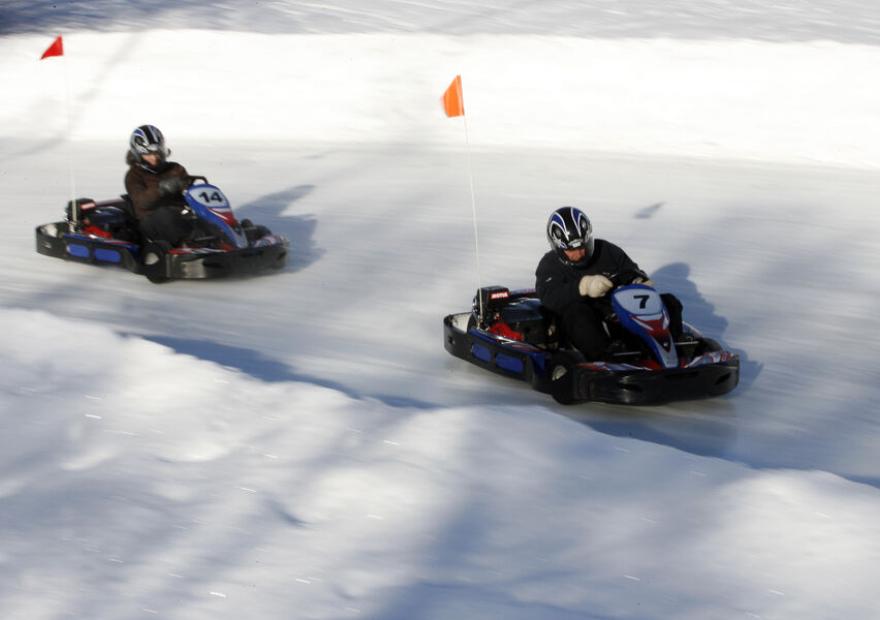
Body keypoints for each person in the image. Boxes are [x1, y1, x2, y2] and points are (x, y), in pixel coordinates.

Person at [535, 206, 683, 360]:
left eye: (582, 247)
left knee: (668, 301)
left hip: (617, 312)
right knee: (578, 313)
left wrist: (638, 281)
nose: (579, 254)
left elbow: (631, 271)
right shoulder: (549, 265)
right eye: (572, 250)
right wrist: (583, 286)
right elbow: (549, 297)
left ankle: (675, 348)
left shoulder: (607, 251)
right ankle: (603, 358)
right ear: (558, 247)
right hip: (582, 325)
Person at [124, 125, 193, 246]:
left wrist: (187, 187)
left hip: (181, 213)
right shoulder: (133, 176)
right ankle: (188, 247)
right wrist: (162, 189)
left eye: (157, 152)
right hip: (150, 220)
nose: (154, 157)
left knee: (202, 215)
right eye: (148, 154)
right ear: (138, 154)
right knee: (165, 215)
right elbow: (142, 201)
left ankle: (227, 239)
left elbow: (189, 190)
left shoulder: (175, 168)